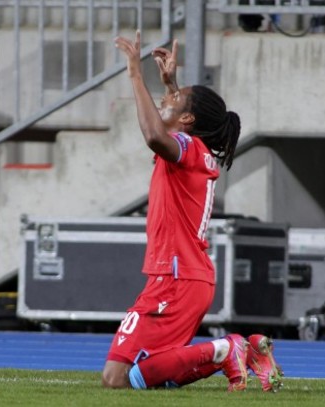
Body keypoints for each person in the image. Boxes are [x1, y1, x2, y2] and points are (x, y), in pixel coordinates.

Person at [101, 31, 283, 392]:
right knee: (139, 375)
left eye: (171, 98)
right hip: (182, 278)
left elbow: (154, 134)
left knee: (117, 379)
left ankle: (228, 348)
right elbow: (175, 121)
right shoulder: (194, 148)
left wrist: (136, 73)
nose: (164, 99)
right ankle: (241, 354)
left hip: (177, 279)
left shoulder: (187, 146)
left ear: (186, 120)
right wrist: (174, 84)